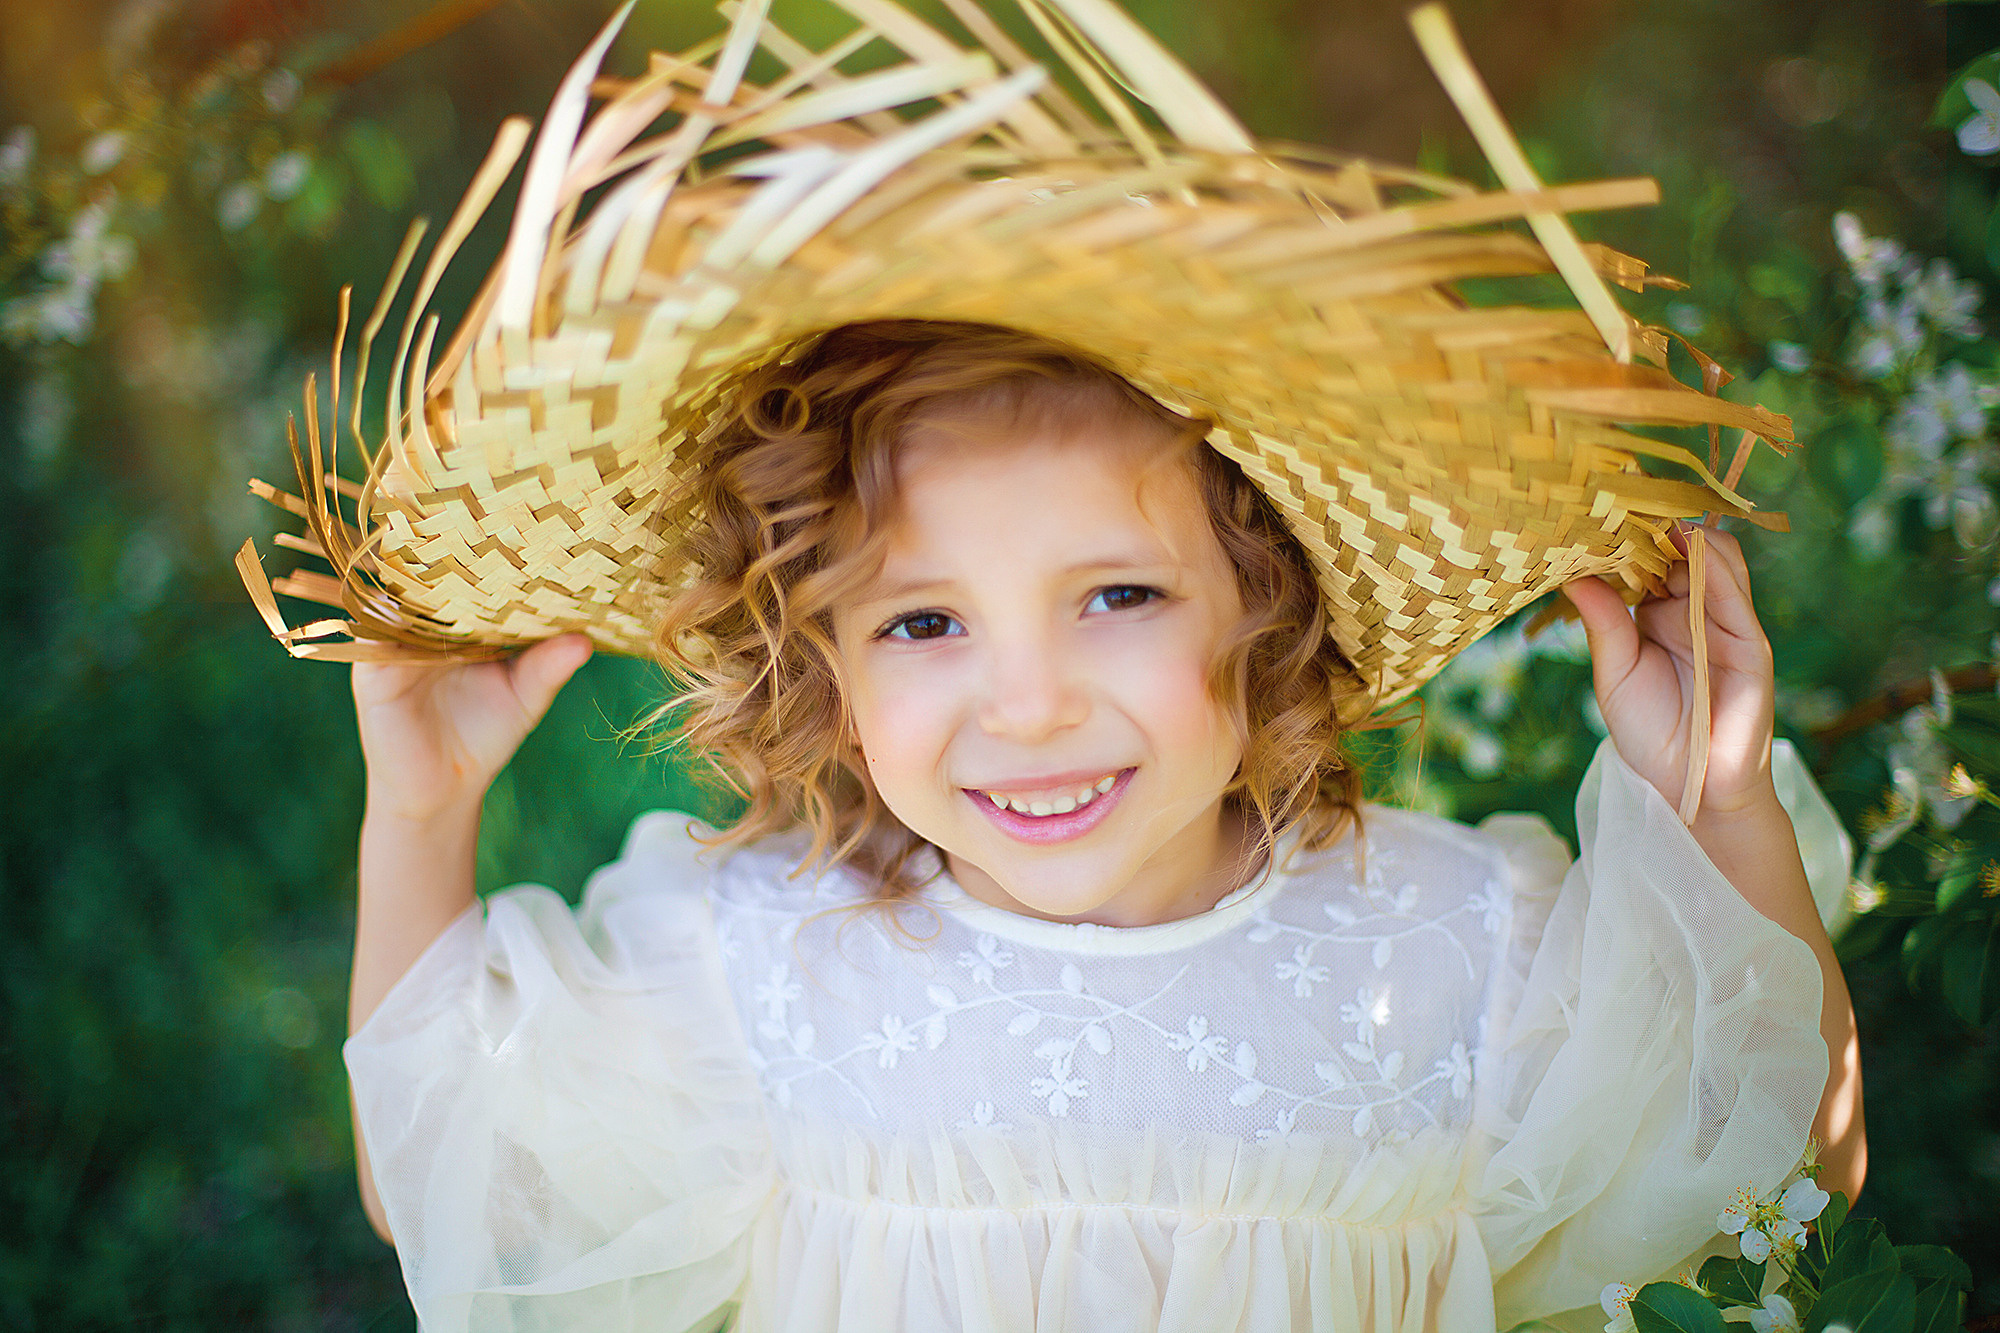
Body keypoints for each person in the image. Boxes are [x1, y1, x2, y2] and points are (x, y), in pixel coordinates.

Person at [244, 2, 1865, 1329]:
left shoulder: (1446, 954)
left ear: (1267, 603)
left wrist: (1717, 801)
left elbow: (1774, 1168)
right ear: (823, 664)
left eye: (1115, 597)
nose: (1025, 704)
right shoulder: (762, 974)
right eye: (924, 621)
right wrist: (422, 815)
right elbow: (453, 1186)